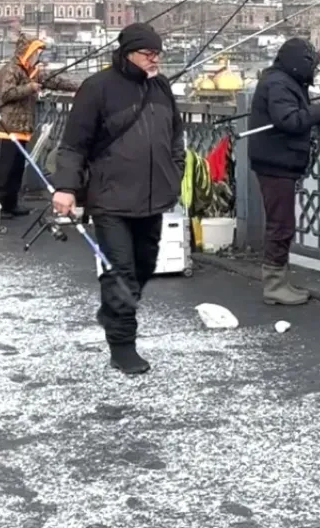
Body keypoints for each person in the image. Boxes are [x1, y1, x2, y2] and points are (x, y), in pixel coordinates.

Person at [50, 23, 185, 375]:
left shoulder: (161, 86)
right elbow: (74, 144)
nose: (154, 60)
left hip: (154, 196)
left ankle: (113, 313)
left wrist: (177, 168)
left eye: (157, 54)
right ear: (128, 53)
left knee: (144, 266)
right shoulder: (98, 88)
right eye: (147, 54)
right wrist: (65, 187)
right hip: (111, 198)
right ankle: (123, 345)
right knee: (121, 271)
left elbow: (175, 133)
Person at [247, 37, 320, 305]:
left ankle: (280, 281)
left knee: (282, 223)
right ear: (301, 64)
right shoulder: (277, 83)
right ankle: (274, 285)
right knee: (280, 225)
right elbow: (290, 120)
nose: (314, 71)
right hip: (276, 163)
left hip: (281, 162)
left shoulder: (283, 80)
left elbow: (301, 115)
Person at [0, 37, 76, 217]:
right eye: (34, 52)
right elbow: (6, 94)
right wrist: (30, 88)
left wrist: (81, 87)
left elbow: (56, 81)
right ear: (26, 53)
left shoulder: (33, 71)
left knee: (15, 170)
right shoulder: (10, 70)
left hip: (21, 129)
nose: (37, 56)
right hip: (5, 128)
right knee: (1, 172)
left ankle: (11, 204)